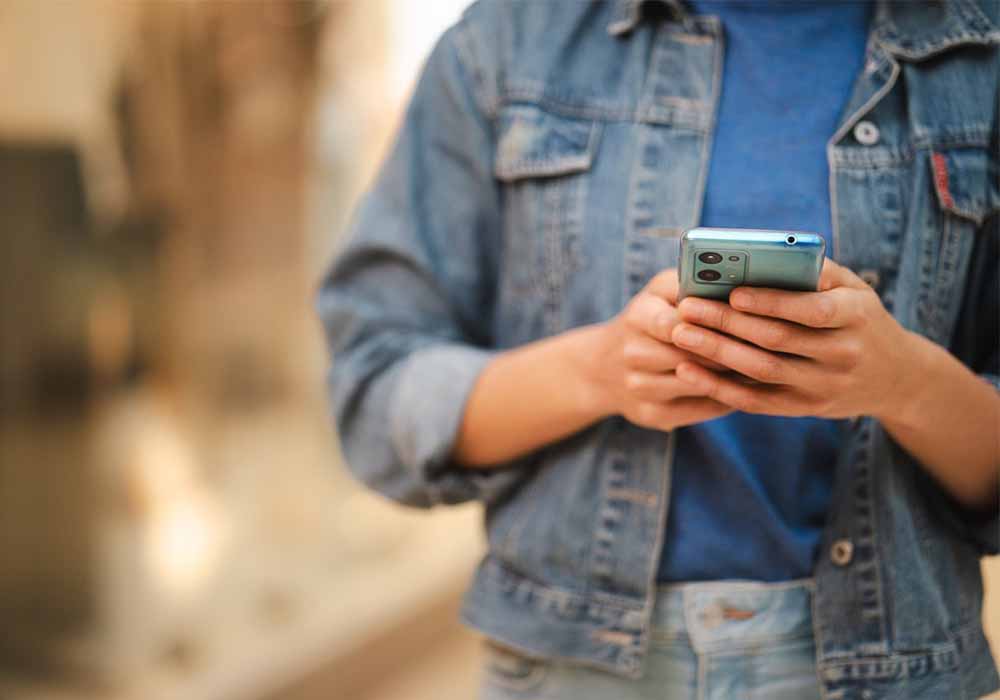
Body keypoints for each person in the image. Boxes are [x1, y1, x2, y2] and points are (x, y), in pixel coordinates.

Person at [317, 1, 1000, 697]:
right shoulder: (511, 38)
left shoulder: (982, 50)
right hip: (575, 671)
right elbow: (374, 389)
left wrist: (905, 383)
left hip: (893, 669)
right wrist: (601, 371)